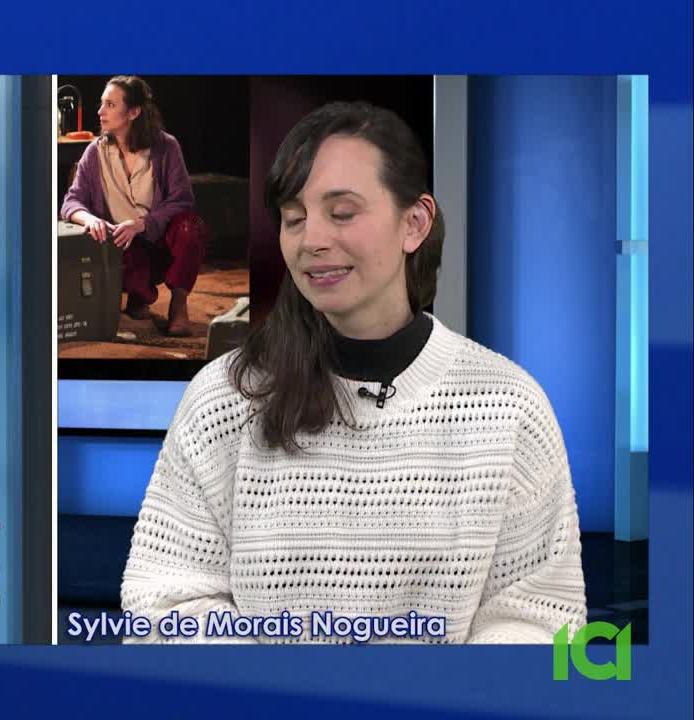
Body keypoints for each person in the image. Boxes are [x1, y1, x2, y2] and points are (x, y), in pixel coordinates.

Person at [120, 102, 587, 643]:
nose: (312, 239)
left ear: (414, 223)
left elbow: (538, 616)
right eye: (294, 218)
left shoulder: (507, 407)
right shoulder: (226, 400)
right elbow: (165, 603)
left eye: (341, 213)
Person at [60, 75, 208, 337]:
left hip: (160, 241)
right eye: (101, 103)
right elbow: (72, 201)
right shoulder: (95, 152)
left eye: (110, 105)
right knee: (113, 245)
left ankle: (179, 304)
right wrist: (89, 219)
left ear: (134, 112)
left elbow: (182, 200)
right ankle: (140, 295)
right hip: (124, 247)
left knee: (191, 226)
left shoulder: (165, 147)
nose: (100, 112)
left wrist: (143, 224)